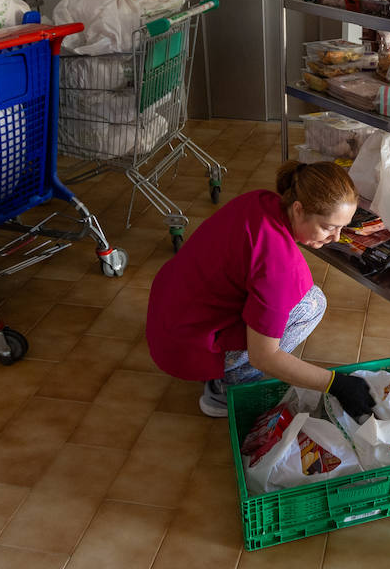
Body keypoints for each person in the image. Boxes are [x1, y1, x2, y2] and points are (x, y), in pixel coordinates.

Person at [145, 160, 376, 421]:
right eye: (328, 226)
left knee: (298, 299)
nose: (336, 237)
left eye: (342, 227)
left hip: (166, 318)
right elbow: (264, 357)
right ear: (298, 210)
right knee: (312, 304)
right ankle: (227, 386)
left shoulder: (260, 200)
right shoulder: (280, 267)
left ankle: (220, 367)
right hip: (182, 349)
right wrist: (335, 383)